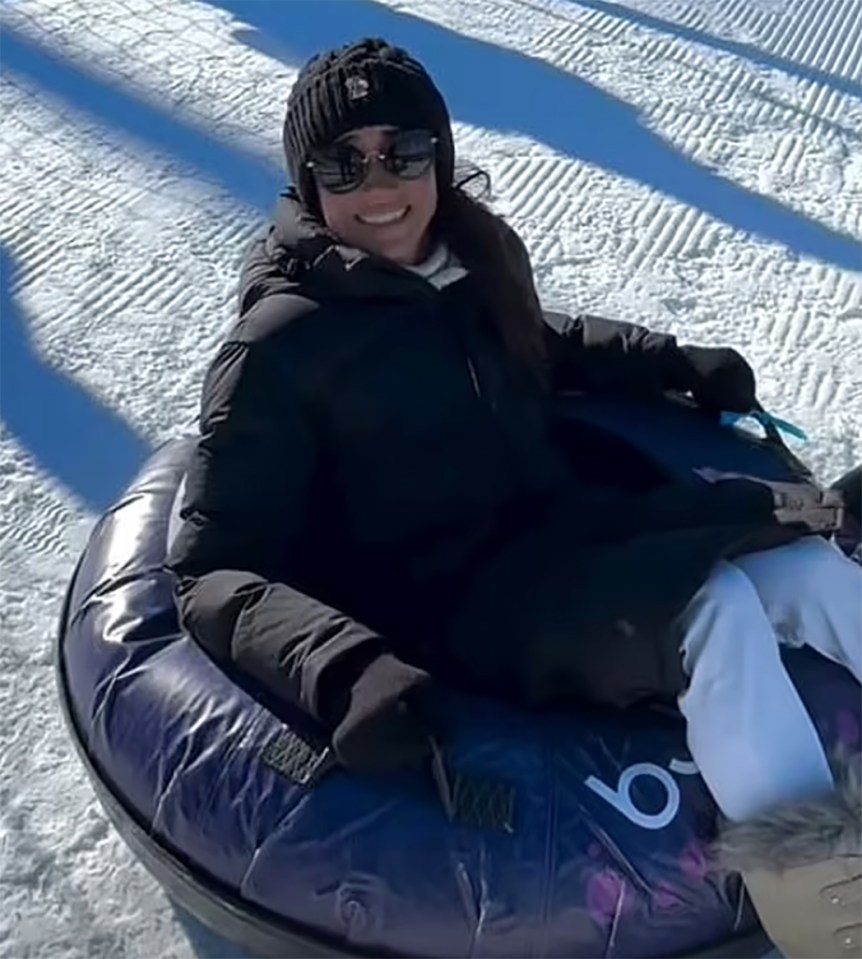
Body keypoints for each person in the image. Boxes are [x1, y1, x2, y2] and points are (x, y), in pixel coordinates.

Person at [166, 38, 861, 957]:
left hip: (564, 526)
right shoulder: (282, 347)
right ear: (307, 180)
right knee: (716, 608)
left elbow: (543, 342)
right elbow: (213, 564)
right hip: (462, 597)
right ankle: (825, 907)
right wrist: (340, 667)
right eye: (345, 161)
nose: (380, 184)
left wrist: (670, 364)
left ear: (440, 160)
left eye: (404, 152)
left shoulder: (469, 261)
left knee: (805, 561)